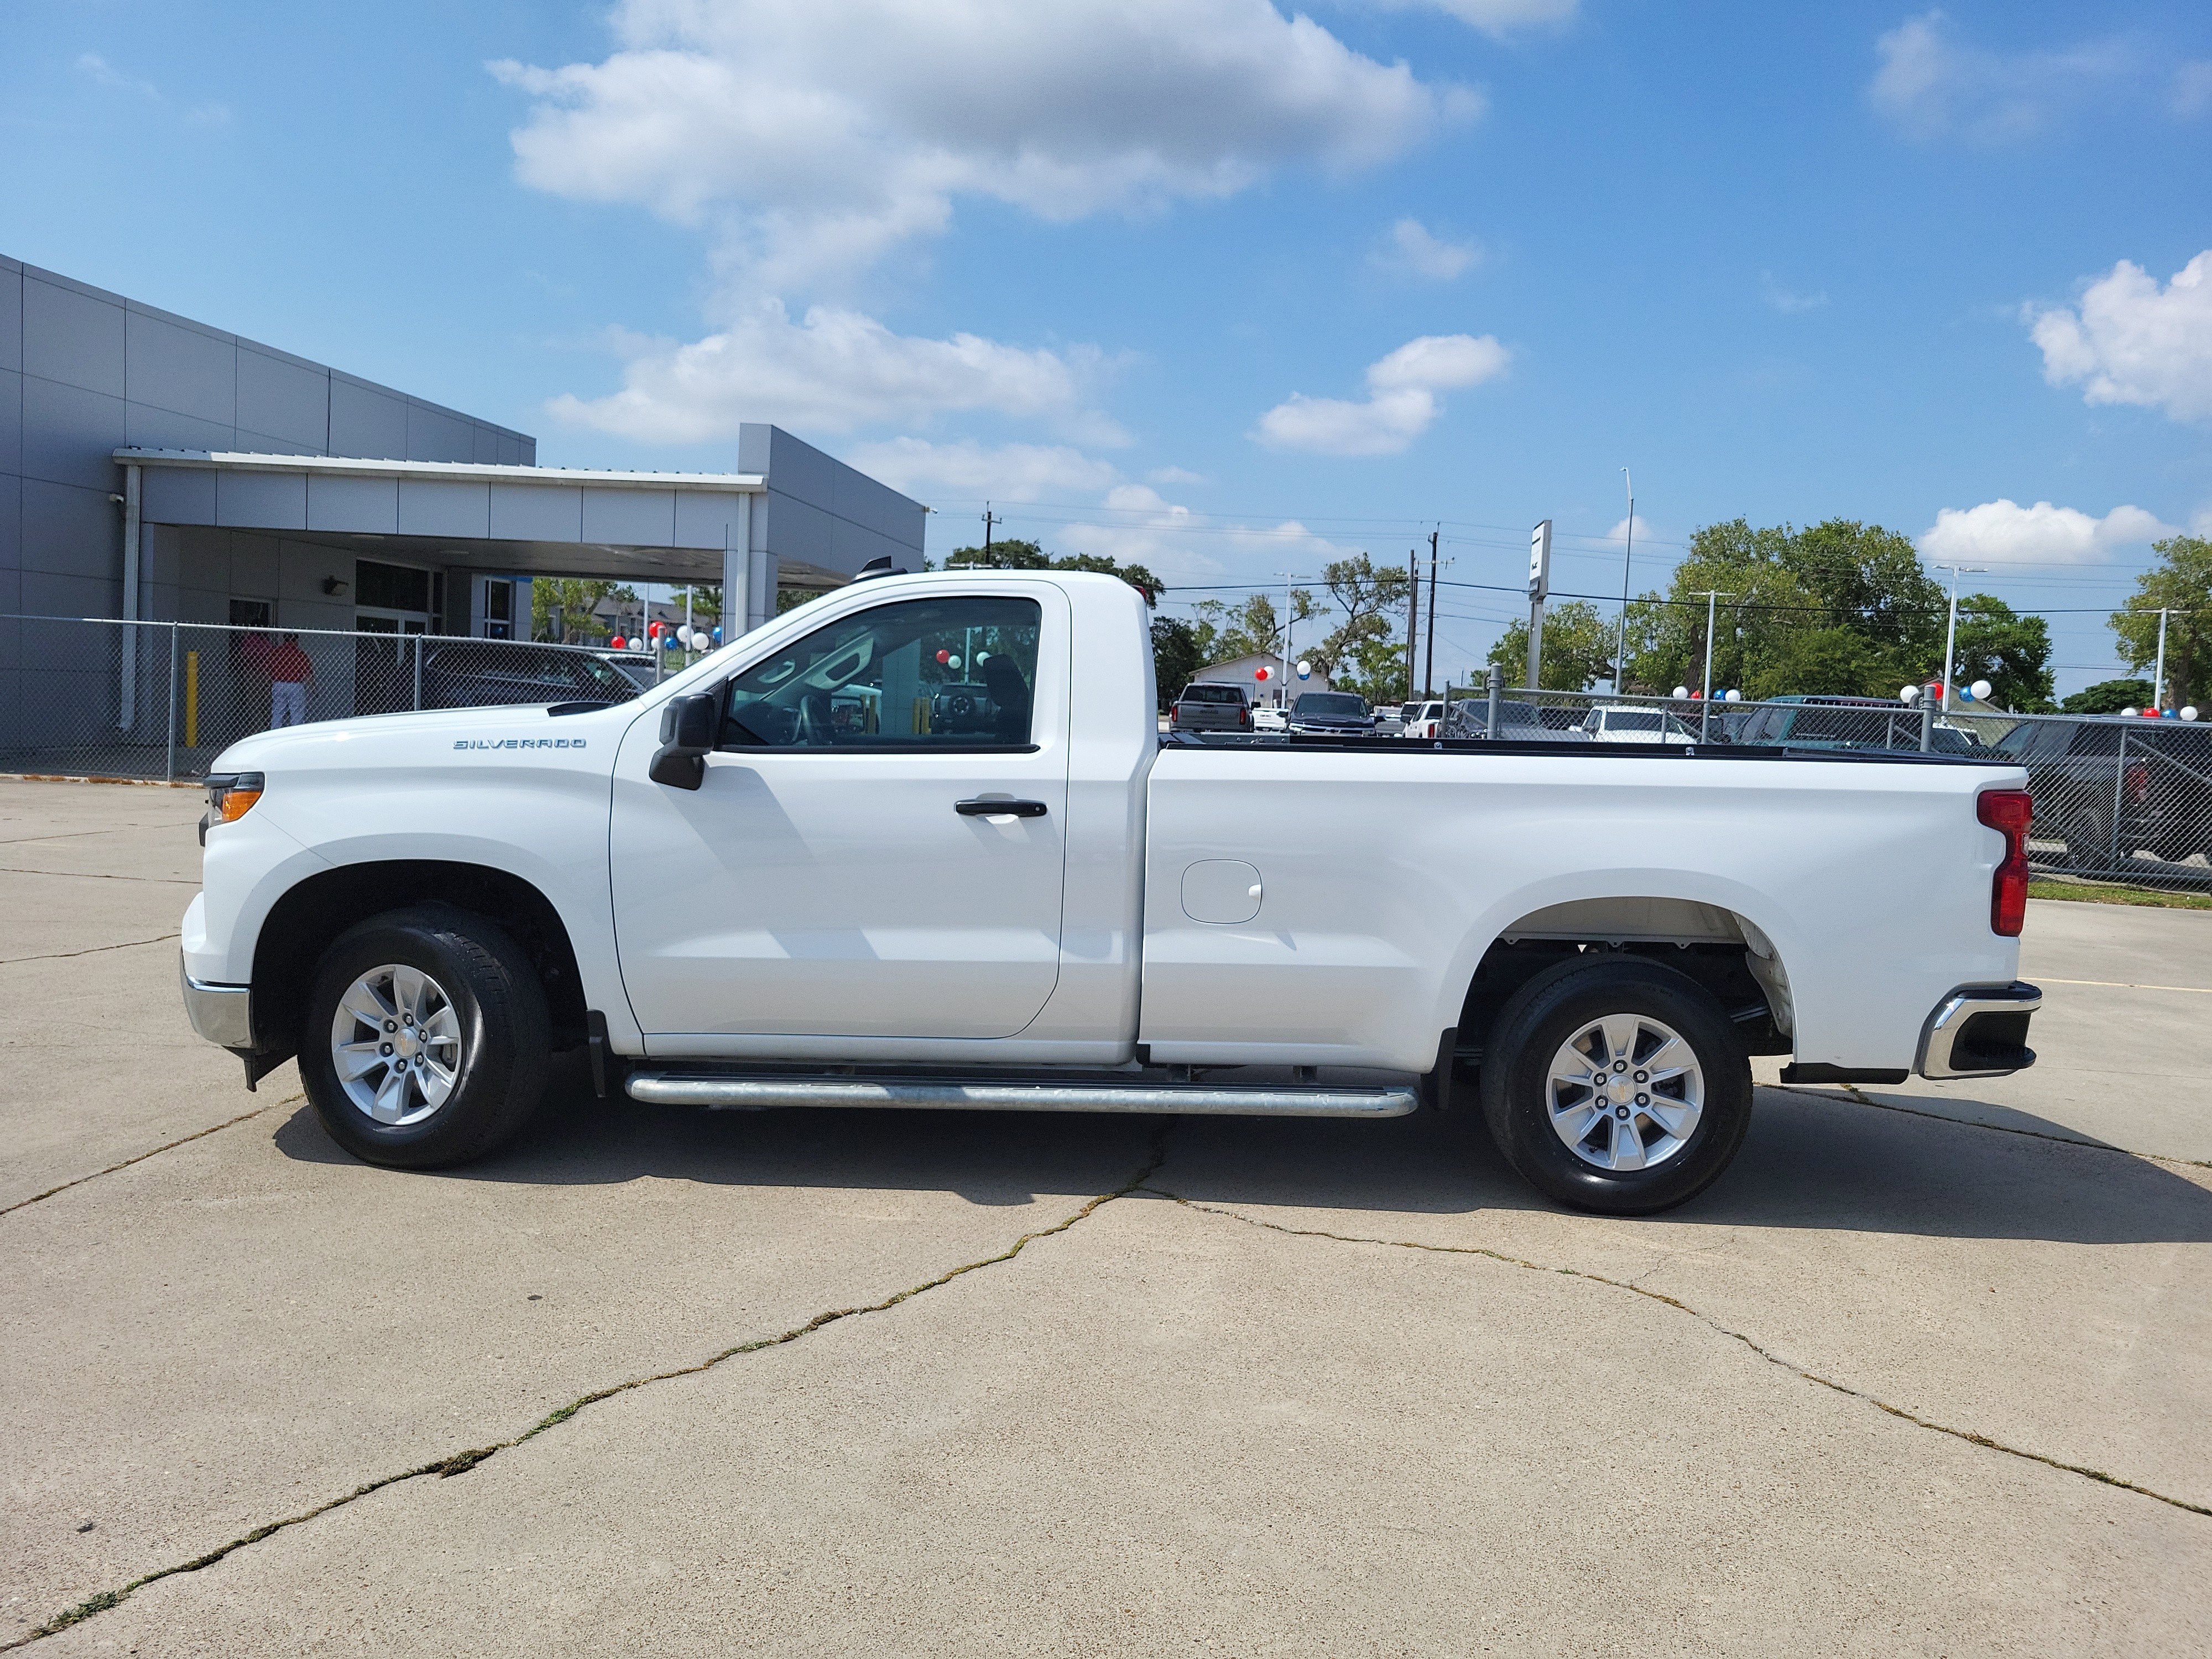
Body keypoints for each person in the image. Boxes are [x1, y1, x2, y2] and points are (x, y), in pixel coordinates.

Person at [268, 633, 313, 728]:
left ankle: (275, 732)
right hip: (295, 685)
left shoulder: (276, 653)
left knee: (278, 712)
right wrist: (314, 688)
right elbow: (308, 674)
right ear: (296, 641)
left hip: (279, 684)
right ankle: (296, 734)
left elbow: (269, 670)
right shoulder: (300, 654)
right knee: (297, 713)